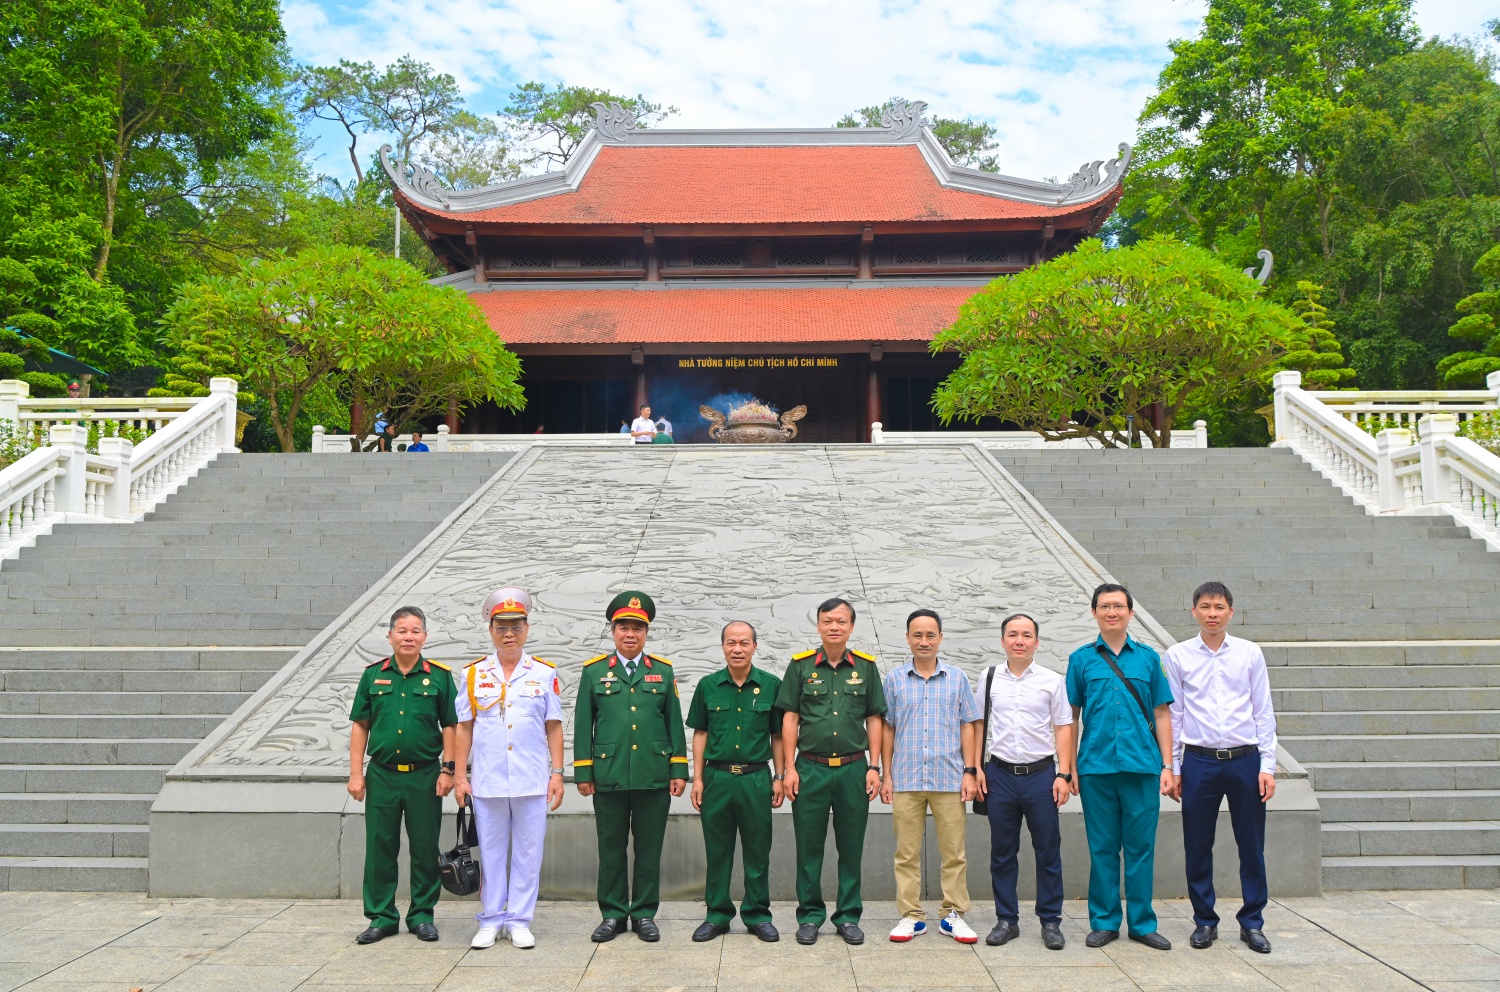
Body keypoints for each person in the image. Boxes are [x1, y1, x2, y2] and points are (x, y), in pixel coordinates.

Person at [1164, 581, 1277, 955]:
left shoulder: (1249, 653)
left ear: (1232, 611)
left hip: (1246, 760)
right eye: (1205, 606)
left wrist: (1268, 765)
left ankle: (1252, 923)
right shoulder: (1177, 655)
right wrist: (1176, 767)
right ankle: (1205, 922)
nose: (1212, 613)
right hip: (1199, 761)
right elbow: (1175, 714)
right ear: (1193, 611)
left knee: (1252, 845)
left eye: (1219, 607)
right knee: (1198, 844)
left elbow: (1262, 710)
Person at [453, 588, 566, 950]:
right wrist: (459, 776)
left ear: (527, 629)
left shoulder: (545, 673)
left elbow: (554, 726)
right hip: (487, 781)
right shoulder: (473, 674)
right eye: (501, 626)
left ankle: (519, 919)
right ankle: (490, 919)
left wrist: (558, 773)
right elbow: (464, 728)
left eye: (516, 626)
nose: (509, 634)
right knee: (490, 851)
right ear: (491, 630)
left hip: (532, 779)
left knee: (528, 854)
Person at [574, 591, 688, 942]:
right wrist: (583, 771)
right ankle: (611, 914)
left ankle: (643, 914)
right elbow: (582, 724)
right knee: (610, 848)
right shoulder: (594, 672)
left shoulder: (662, 672)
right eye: (623, 627)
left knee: (649, 848)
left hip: (653, 775)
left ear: (646, 633)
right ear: (613, 631)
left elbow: (674, 724)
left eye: (637, 628)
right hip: (607, 776)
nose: (630, 634)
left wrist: (679, 770)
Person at [1066, 583, 1175, 951]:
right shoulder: (1080, 659)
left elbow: (1162, 713)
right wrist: (1069, 768)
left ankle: (1142, 923)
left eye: (1118, 606)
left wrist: (1167, 765)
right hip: (1095, 767)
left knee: (1141, 847)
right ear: (1094, 612)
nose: (1112, 612)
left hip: (1143, 768)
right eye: (1104, 606)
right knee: (1102, 847)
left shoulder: (1147, 659)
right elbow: (1071, 717)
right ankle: (1105, 921)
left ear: (1131, 612)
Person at [777, 597, 887, 946]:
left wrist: (875, 766)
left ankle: (848, 916)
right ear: (819, 625)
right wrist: (789, 768)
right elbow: (790, 718)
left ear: (851, 626)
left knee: (850, 846)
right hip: (810, 769)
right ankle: (810, 916)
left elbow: (874, 718)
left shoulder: (867, 667)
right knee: (808, 847)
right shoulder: (800, 666)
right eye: (828, 621)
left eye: (841, 621)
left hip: (855, 769)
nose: (834, 627)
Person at [346, 606, 458, 944]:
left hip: (425, 776)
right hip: (381, 775)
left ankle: (422, 915)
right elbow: (360, 725)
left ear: (424, 636)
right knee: (380, 847)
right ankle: (382, 917)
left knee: (425, 848)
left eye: (415, 631)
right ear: (390, 635)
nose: (408, 637)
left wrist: (448, 769)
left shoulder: (439, 676)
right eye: (402, 631)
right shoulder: (372, 675)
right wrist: (356, 774)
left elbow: (451, 725)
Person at [879, 609, 982, 944]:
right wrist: (886, 774)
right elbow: (888, 729)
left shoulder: (957, 678)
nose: (924, 641)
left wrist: (970, 770)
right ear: (908, 637)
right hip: (907, 778)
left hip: (949, 778)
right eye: (917, 635)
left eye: (930, 635)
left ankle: (953, 915)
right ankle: (911, 915)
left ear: (940, 637)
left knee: (954, 852)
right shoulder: (894, 679)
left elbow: (968, 724)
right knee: (905, 853)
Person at [973, 613, 1074, 950]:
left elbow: (1063, 727)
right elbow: (976, 727)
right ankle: (1007, 919)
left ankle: (1050, 921)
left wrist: (1063, 773)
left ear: (1036, 642)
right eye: (1013, 634)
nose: (1019, 640)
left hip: (1041, 776)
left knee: (1047, 850)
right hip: (999, 774)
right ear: (1003, 640)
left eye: (1026, 635)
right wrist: (974, 769)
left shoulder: (1051, 680)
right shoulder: (988, 678)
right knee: (1002, 852)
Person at [686, 621, 785, 943]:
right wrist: (697, 778)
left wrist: (780, 777)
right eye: (731, 643)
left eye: (744, 643)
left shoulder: (771, 685)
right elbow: (700, 733)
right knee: (718, 851)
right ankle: (717, 915)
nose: (737, 649)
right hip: (718, 777)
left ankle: (757, 915)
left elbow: (779, 736)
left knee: (758, 851)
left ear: (755, 646)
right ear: (723, 647)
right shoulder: (708, 685)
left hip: (756, 778)